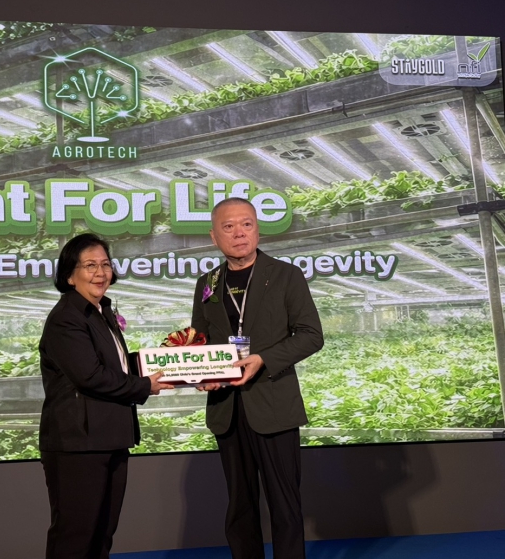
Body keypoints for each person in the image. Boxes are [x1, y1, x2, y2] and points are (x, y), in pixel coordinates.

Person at [191, 198, 323, 559]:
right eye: (229, 227)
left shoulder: (285, 275)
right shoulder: (207, 283)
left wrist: (264, 359)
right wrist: (200, 372)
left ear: (257, 230)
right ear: (214, 236)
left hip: (273, 404)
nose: (239, 233)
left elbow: (311, 335)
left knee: (284, 504)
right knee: (240, 505)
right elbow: (200, 340)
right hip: (227, 408)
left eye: (246, 224)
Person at [39, 232, 173, 559]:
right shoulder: (66, 318)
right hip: (79, 444)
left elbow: (116, 366)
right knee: (76, 535)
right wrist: (145, 385)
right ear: (69, 276)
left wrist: (170, 362)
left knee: (102, 533)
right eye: (90, 266)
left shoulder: (100, 311)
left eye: (105, 264)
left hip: (108, 437)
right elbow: (90, 376)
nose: (100, 273)